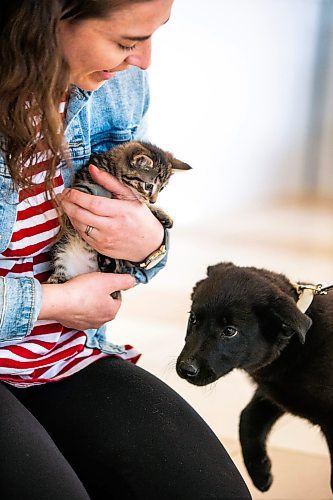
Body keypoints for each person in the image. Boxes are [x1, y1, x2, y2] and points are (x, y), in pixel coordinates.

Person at [0, 1, 251, 499]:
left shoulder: (118, 84)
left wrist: (149, 243)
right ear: (42, 21)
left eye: (152, 36)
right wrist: (53, 303)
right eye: (126, 42)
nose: (144, 62)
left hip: (63, 353)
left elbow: (137, 217)